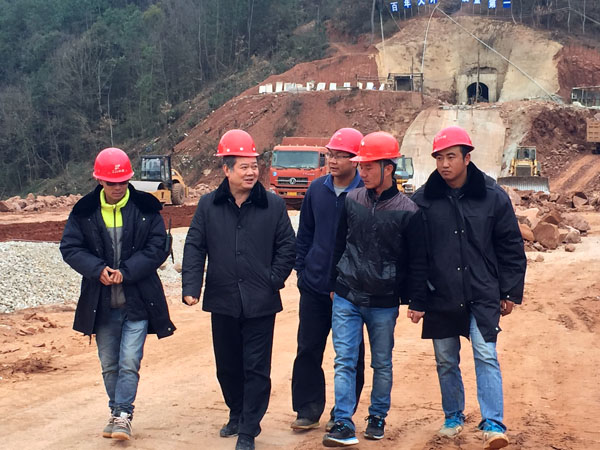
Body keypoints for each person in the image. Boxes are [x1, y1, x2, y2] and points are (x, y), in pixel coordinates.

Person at [409, 126, 526, 450]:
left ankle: (493, 424)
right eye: (439, 158)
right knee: (446, 359)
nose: (444, 164)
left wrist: (509, 291)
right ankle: (453, 417)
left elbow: (510, 246)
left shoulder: (492, 196)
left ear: (467, 158)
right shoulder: (424, 200)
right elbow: (415, 254)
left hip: (482, 291)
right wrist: (417, 297)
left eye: (451, 157)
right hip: (441, 293)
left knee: (486, 355)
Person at [182, 129, 295, 450]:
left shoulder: (273, 205)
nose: (251, 172)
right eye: (243, 166)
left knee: (256, 367)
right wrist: (192, 286)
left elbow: (288, 246)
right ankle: (236, 412)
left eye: (254, 166)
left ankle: (248, 429)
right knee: (228, 366)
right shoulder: (209, 205)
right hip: (223, 299)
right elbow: (195, 245)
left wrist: (272, 279)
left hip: (261, 301)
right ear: (226, 169)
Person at [60, 147, 175, 441]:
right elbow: (70, 248)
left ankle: (123, 415)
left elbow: (157, 247)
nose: (117, 187)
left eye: (122, 182)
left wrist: (127, 271)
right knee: (109, 365)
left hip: (138, 302)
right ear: (99, 180)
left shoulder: (146, 209)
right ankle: (116, 411)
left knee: (129, 362)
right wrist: (97, 269)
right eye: (112, 182)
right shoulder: (84, 212)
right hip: (101, 304)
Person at [323, 131, 427, 447]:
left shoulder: (409, 211)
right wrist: (333, 283)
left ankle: (377, 416)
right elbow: (339, 244)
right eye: (361, 166)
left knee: (381, 362)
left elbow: (418, 260)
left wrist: (417, 300)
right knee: (344, 360)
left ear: (388, 168)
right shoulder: (352, 201)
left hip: (383, 301)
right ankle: (343, 422)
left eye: (369, 166)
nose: (363, 172)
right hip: (347, 295)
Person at [291, 128, 366, 432]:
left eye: (340, 156)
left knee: (350, 353)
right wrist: (302, 270)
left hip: (350, 290)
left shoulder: (364, 193)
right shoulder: (316, 190)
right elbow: (305, 233)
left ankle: (343, 412)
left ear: (356, 160)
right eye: (330, 155)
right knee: (308, 348)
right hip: (314, 286)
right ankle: (307, 409)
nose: (333, 161)